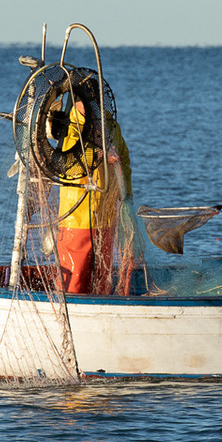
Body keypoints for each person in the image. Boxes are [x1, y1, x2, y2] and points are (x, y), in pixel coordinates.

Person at [53, 98, 134, 295]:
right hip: (76, 219)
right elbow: (67, 163)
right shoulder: (70, 128)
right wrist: (100, 155)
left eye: (95, 102)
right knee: (75, 272)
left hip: (105, 216)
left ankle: (102, 304)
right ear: (75, 104)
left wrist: (127, 196)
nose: (90, 107)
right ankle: (71, 304)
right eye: (84, 103)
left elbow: (125, 163)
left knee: (103, 272)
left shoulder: (111, 126)